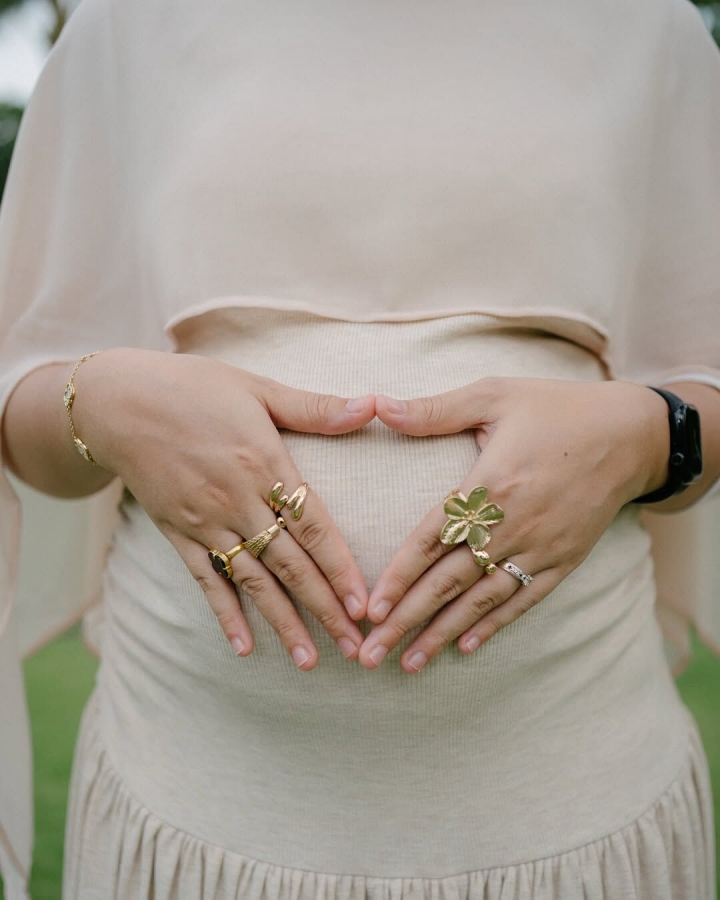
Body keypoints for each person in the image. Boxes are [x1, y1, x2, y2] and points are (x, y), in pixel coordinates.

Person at [1, 0, 719, 897]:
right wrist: (100, 400)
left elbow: (704, 384)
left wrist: (653, 437)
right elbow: (24, 405)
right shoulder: (128, 24)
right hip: (192, 806)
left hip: (571, 803)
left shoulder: (647, 27)